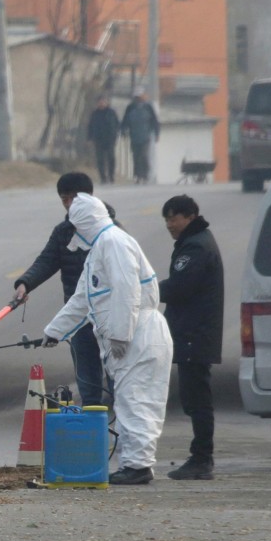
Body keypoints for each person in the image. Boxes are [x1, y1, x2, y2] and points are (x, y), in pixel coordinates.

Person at [43, 193, 172, 485]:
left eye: (75, 226)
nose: (74, 233)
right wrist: (54, 331)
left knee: (136, 401)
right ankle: (135, 463)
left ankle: (138, 467)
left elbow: (128, 291)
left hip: (138, 335)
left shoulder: (114, 242)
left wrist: (120, 335)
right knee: (130, 401)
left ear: (84, 223)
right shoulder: (99, 251)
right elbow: (82, 300)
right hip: (130, 337)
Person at [13, 172, 108, 407]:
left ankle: (123, 433)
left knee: (119, 377)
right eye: (64, 199)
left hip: (109, 317)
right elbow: (46, 261)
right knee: (87, 377)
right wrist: (25, 284)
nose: (68, 205)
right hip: (78, 318)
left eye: (73, 199)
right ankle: (92, 428)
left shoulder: (110, 233)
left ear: (88, 198)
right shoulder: (63, 232)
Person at [158, 195, 224, 480]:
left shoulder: (196, 246)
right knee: (193, 396)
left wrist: (143, 289)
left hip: (194, 333)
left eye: (174, 218)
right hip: (192, 331)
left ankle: (202, 459)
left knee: (197, 398)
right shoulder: (195, 241)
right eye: (167, 219)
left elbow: (178, 288)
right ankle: (200, 455)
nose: (170, 224)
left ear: (191, 216)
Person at [121, 86, 160, 184]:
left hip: (145, 137)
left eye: (140, 96)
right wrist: (123, 131)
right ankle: (137, 176)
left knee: (143, 156)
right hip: (134, 137)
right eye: (136, 96)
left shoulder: (148, 107)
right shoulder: (130, 107)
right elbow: (125, 121)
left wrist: (156, 133)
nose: (138, 98)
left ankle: (145, 175)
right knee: (136, 157)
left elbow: (155, 121)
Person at [87, 95, 120, 184]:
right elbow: (90, 126)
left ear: (106, 102)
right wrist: (89, 138)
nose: (101, 103)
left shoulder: (111, 113)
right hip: (98, 140)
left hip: (110, 139)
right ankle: (103, 177)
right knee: (100, 159)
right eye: (100, 102)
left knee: (111, 158)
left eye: (103, 101)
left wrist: (116, 135)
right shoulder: (95, 114)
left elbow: (117, 124)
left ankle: (111, 176)